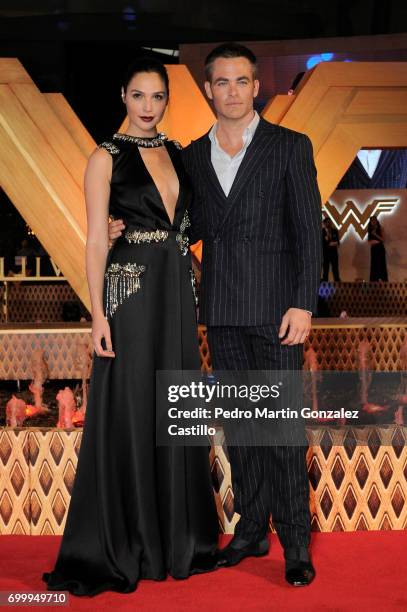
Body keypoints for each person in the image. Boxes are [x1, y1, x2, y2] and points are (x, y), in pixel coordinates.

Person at [109, 43, 322, 587]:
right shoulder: (193, 156)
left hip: (278, 312)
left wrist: (303, 302)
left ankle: (295, 543)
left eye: (241, 81)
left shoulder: (289, 147)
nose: (231, 91)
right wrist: (122, 228)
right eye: (221, 82)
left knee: (280, 430)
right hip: (223, 312)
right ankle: (251, 532)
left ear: (257, 87)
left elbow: (307, 232)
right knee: (244, 429)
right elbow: (185, 225)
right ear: (208, 89)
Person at [42, 57, 219, 597]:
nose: (148, 107)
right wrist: (97, 312)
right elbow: (96, 239)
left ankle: (180, 538)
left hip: (176, 294)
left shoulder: (181, 155)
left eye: (158, 97)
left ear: (168, 100)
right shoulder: (104, 157)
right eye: (139, 96)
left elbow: (191, 227)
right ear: (123, 95)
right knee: (135, 405)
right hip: (132, 294)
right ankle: (134, 538)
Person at [368, 215, 388, 281]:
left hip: (380, 249)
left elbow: (383, 239)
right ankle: (374, 280)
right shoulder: (370, 229)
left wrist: (375, 234)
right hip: (373, 249)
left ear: (377, 221)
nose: (373, 222)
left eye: (374, 221)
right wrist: (373, 239)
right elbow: (369, 241)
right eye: (372, 221)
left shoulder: (380, 228)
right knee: (374, 265)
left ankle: (383, 279)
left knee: (381, 264)